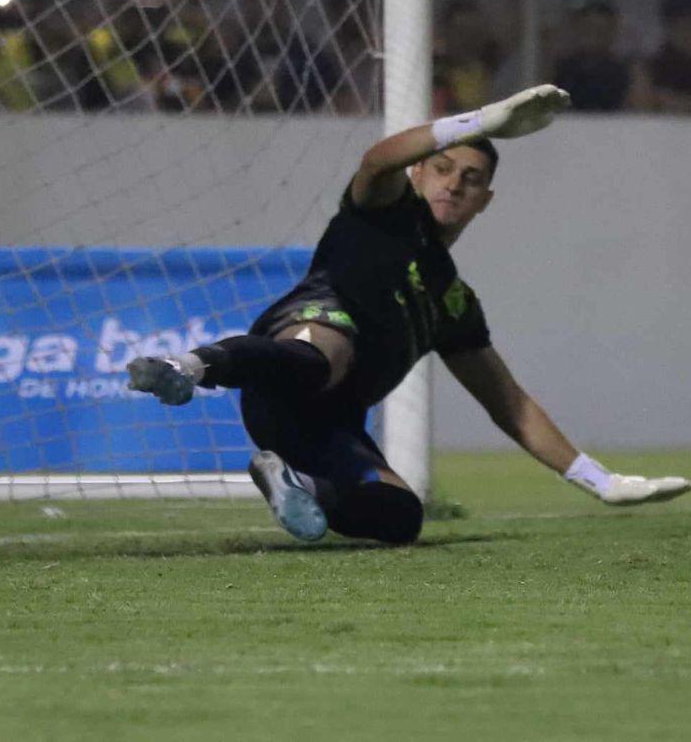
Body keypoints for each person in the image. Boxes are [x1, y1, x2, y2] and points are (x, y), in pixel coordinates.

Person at [126, 84, 689, 545]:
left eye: (471, 179)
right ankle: (189, 367)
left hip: (318, 429)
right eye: (443, 167)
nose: (454, 184)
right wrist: (481, 120)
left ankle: (296, 484)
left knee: (401, 516)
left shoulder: (455, 303)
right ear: (420, 174)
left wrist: (602, 481)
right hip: (285, 367)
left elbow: (510, 405)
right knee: (327, 355)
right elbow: (377, 160)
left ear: (484, 200)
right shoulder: (387, 213)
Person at [552, 1, 630, 111]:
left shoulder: (625, 71)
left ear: (612, 32)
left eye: (601, 31)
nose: (594, 37)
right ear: (576, 30)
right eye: (588, 29)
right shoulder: (559, 70)